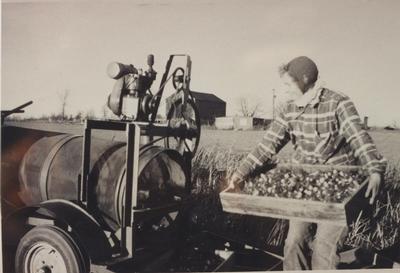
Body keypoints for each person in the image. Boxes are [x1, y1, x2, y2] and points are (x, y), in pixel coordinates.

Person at [227, 56, 387, 270]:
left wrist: (374, 170)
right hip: (303, 187)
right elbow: (267, 146)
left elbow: (359, 138)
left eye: (288, 84)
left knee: (323, 247)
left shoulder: (337, 102)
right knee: (294, 242)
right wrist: (240, 173)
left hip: (340, 188)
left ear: (304, 79)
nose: (284, 89)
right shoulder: (289, 109)